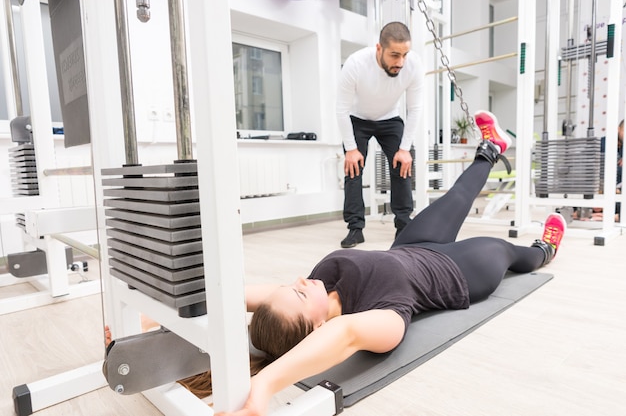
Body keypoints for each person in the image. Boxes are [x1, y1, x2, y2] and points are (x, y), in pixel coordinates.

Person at [188, 111, 565, 416]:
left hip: (412, 244)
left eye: (292, 285)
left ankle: (491, 148)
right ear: (318, 326)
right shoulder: (377, 322)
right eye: (299, 295)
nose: (300, 281)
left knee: (458, 196)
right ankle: (544, 250)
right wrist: (264, 386)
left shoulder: (313, 289)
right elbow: (344, 336)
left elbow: (243, 296)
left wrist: (170, 309)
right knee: (506, 251)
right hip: (460, 274)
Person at [336, 21, 425, 248]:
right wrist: (351, 149)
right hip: (357, 119)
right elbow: (342, 109)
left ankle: (404, 227)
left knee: (402, 166)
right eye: (394, 55)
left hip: (389, 119)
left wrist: (404, 149)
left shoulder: (413, 65)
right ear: (379, 49)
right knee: (353, 170)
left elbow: (415, 108)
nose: (400, 62)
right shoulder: (356, 64)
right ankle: (355, 229)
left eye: (405, 54)